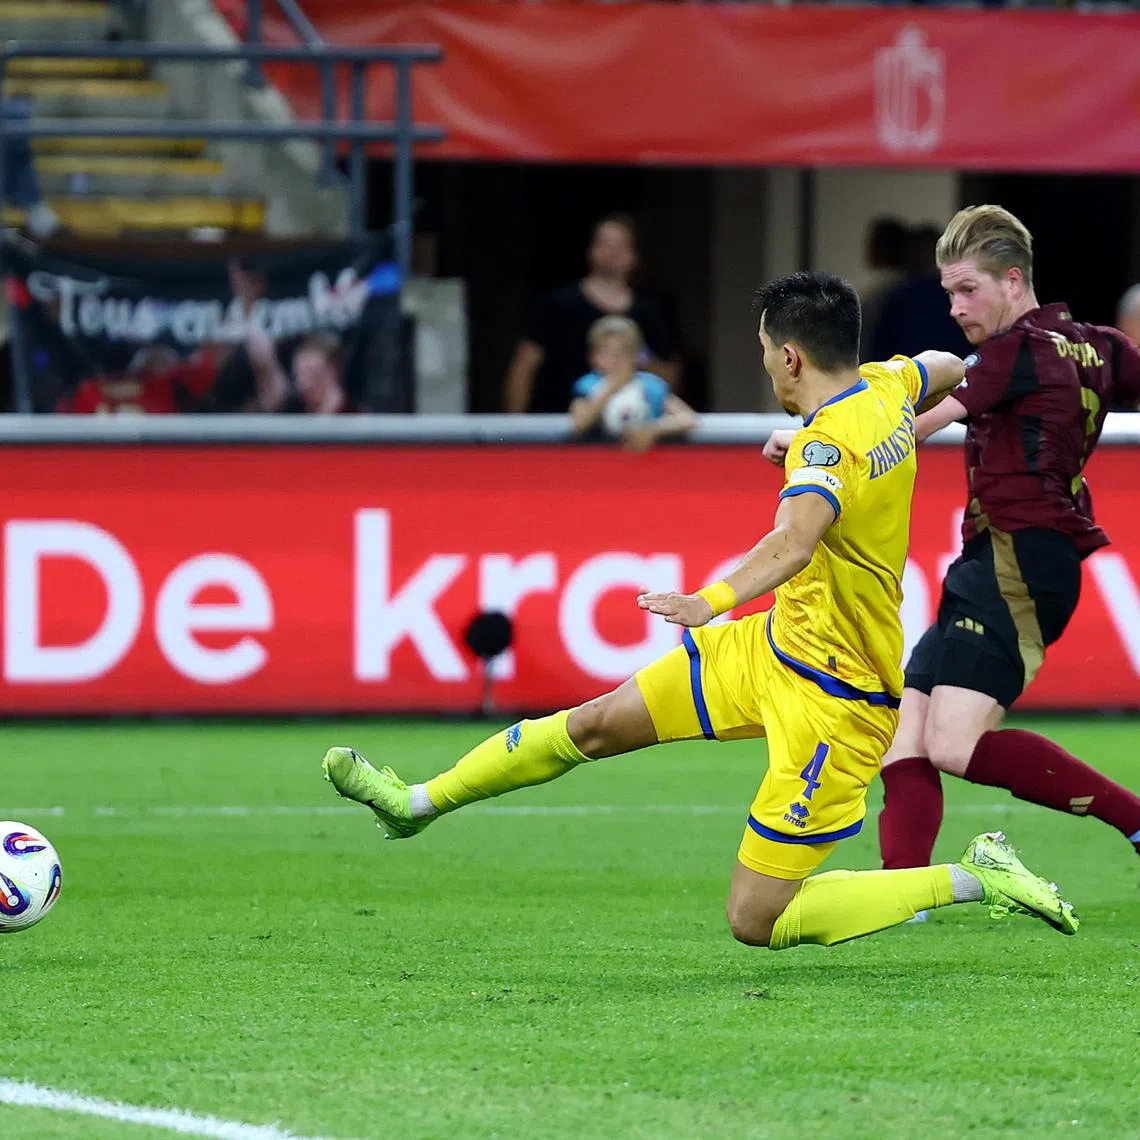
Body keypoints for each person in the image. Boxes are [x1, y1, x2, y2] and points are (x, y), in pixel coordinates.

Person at [322, 270, 1079, 951]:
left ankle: (976, 876)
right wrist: (923, 419)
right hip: (774, 651)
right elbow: (947, 365)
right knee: (595, 723)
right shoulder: (884, 386)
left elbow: (792, 544)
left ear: (790, 357)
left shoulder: (827, 447)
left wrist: (706, 601)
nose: (763, 362)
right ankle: (414, 803)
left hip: (839, 702)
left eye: (762, 348)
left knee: (757, 919)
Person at [863, 204, 1140, 875]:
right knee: (904, 737)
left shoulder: (1011, 351)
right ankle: (904, 895)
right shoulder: (1101, 345)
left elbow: (913, 430)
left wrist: (809, 446)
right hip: (1005, 555)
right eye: (948, 293)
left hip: (1021, 554)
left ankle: (1135, 821)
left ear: (1013, 281)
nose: (955, 308)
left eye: (968, 290)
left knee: (953, 743)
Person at [504, 215, 680, 414]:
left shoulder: (648, 312)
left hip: (627, 432)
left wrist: (637, 359)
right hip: (558, 426)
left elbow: (669, 376)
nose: (611, 253)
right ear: (590, 250)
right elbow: (524, 367)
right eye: (604, 243)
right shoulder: (558, 304)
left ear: (635, 256)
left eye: (620, 246)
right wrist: (515, 426)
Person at [569, 316, 697, 451]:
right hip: (600, 462)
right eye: (607, 352)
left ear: (636, 355)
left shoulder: (650, 385)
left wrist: (653, 430)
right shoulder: (587, 385)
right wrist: (612, 386)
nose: (615, 359)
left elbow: (687, 418)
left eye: (623, 352)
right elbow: (580, 423)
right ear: (594, 356)